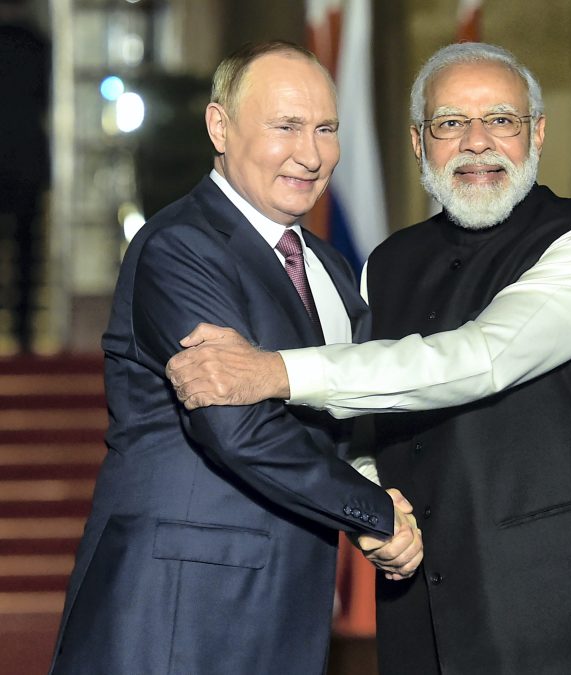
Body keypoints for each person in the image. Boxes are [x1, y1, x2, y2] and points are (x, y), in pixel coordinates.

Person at [166, 42, 571, 675]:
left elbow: (482, 359)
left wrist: (277, 371)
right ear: (418, 143)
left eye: (502, 120)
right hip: (427, 623)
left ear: (537, 133)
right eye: (450, 123)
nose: (477, 142)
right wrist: (372, 506)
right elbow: (361, 425)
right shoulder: (386, 264)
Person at [49, 41, 423, 675]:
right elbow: (237, 426)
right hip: (177, 607)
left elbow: (350, 412)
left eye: (326, 129)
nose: (311, 154)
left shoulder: (330, 268)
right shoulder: (181, 246)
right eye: (286, 127)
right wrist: (375, 511)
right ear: (219, 127)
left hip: (284, 607)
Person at [0, 0, 49, 353]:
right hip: (27, 156)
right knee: (26, 252)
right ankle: (23, 332)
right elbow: (44, 98)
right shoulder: (37, 43)